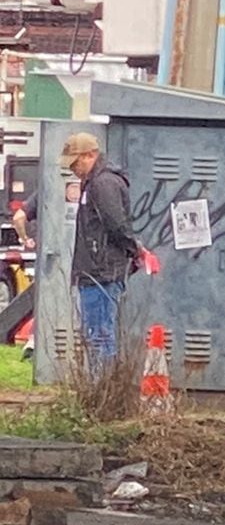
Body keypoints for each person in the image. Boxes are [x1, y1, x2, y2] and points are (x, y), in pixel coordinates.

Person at [61, 133, 140, 365]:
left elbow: (115, 223)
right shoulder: (97, 182)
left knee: (99, 336)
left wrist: (133, 249)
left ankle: (102, 391)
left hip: (101, 272)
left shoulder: (103, 183)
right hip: (99, 270)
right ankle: (102, 389)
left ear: (90, 155)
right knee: (98, 334)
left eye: (75, 162)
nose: (73, 169)